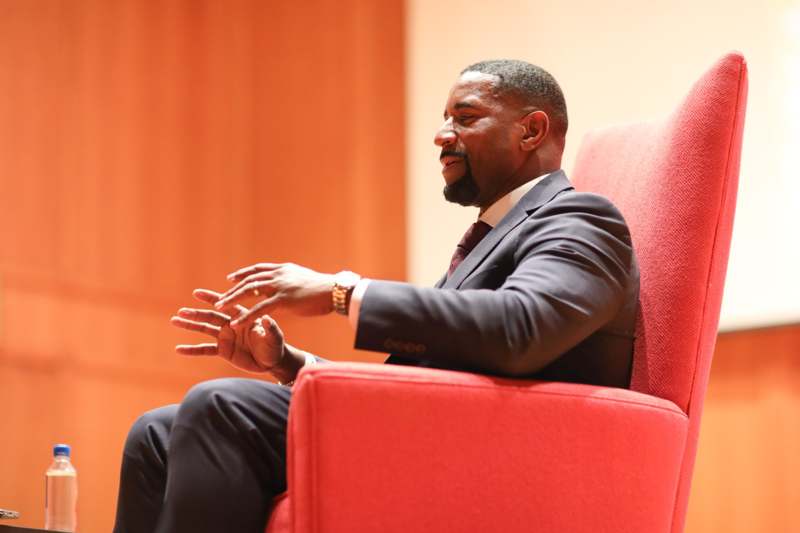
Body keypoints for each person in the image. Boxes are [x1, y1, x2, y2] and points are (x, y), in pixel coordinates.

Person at [113, 59, 639, 533]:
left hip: (497, 455)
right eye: (445, 117)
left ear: (531, 130)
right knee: (157, 431)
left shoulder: (580, 218)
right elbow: (432, 371)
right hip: (436, 428)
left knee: (222, 405)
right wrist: (292, 365)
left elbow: (522, 329)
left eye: (466, 117)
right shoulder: (495, 234)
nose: (441, 135)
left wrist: (343, 291)